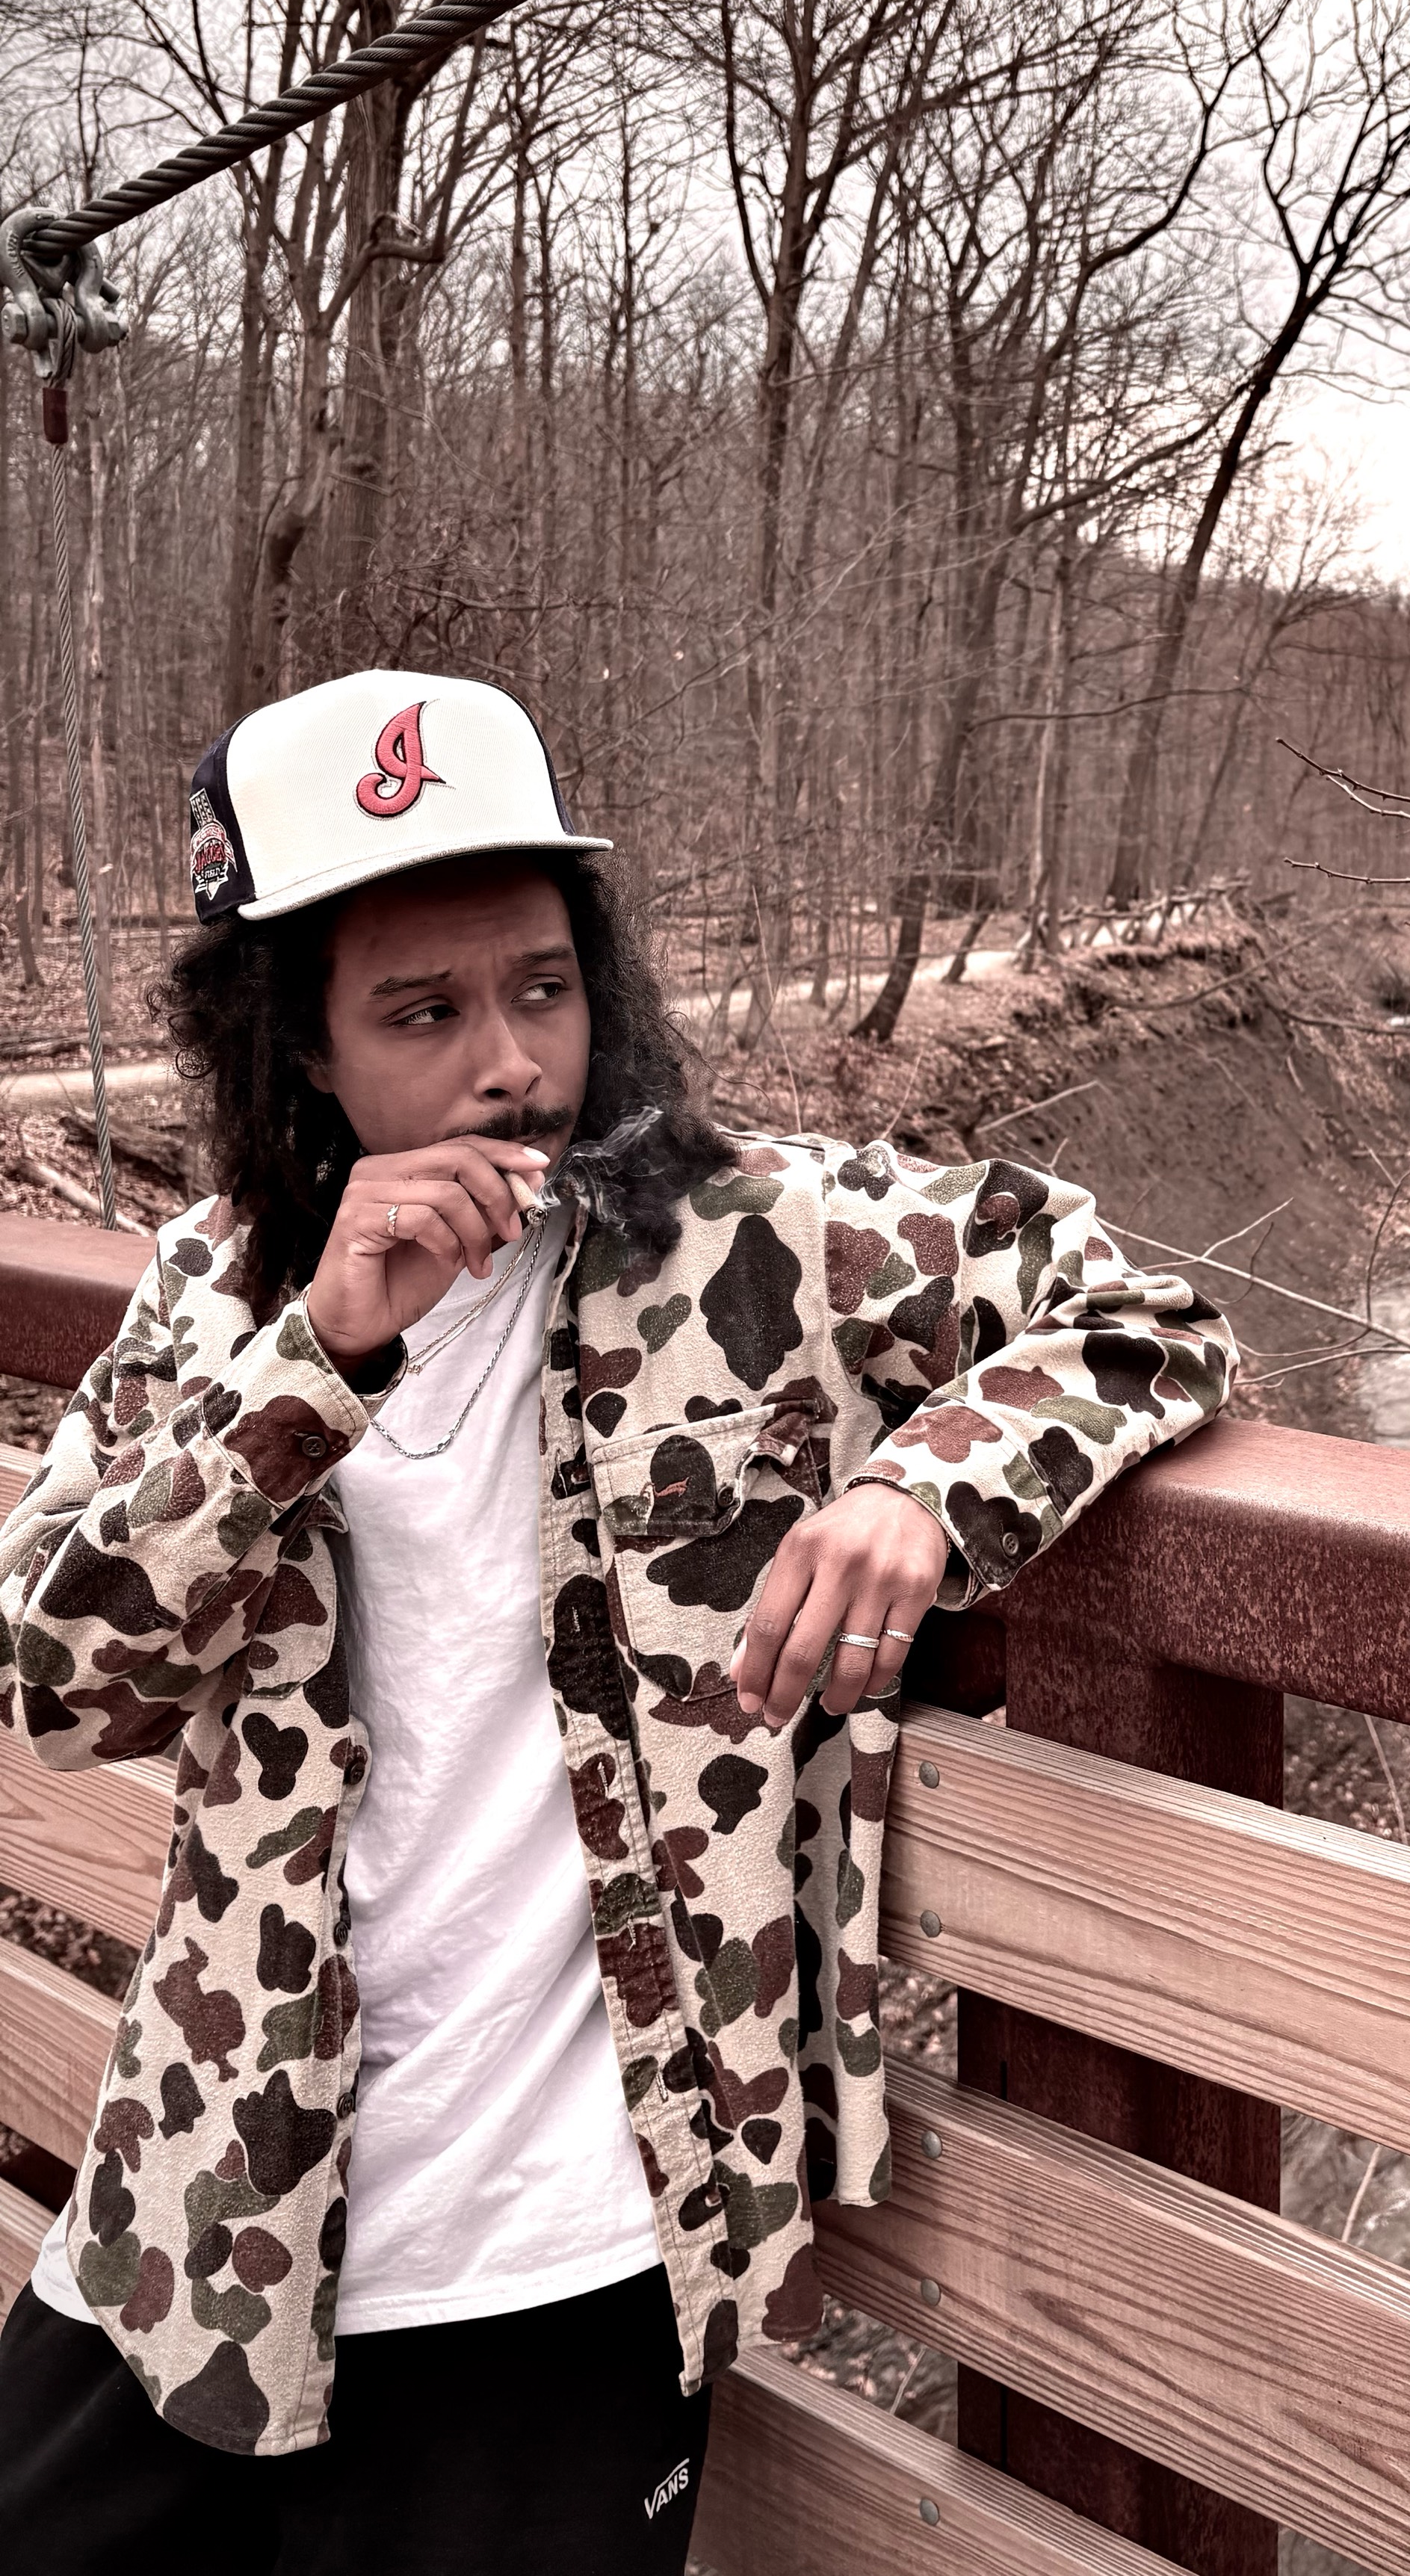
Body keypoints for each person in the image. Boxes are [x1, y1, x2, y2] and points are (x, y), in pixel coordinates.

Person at [0, 668, 1234, 2572]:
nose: (513, 1062)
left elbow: (1140, 1312)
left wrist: (924, 1486)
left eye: (545, 985)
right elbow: (59, 1678)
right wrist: (318, 1358)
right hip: (212, 2190)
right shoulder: (214, 1289)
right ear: (298, 1044)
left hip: (564, 2255)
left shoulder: (758, 1238)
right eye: (424, 1010)